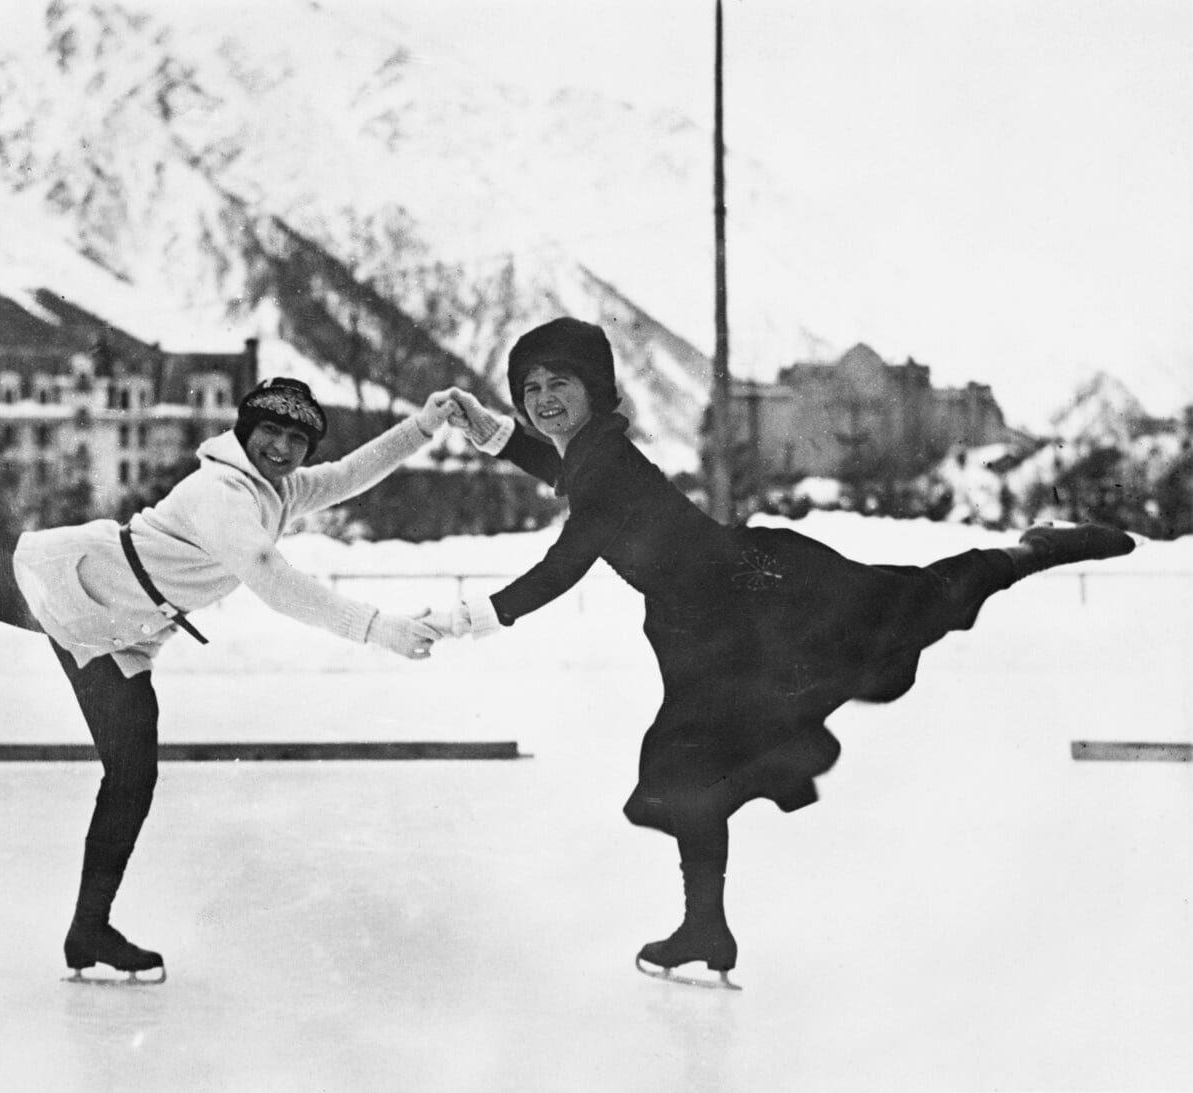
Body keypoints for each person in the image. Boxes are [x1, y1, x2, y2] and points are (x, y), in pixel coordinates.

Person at [432, 317, 1136, 988]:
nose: (544, 400)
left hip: (760, 595)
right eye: (530, 390)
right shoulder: (588, 456)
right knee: (687, 779)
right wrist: (489, 433)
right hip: (706, 633)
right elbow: (558, 471)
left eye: (559, 383)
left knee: (912, 606)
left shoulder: (605, 463)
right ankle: (704, 927)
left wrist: (471, 615)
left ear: (593, 385)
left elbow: (565, 563)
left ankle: (1030, 549)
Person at [0, 377, 455, 984]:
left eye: (298, 440)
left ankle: (88, 928)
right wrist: (375, 627)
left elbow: (349, 476)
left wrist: (423, 426)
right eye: (273, 432)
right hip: (51, 578)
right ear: (243, 427)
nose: (284, 448)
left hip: (115, 641)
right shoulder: (221, 491)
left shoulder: (277, 489)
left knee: (131, 776)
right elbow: (267, 574)